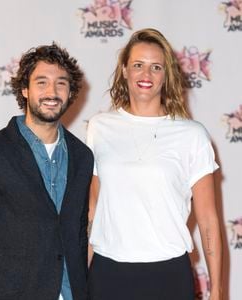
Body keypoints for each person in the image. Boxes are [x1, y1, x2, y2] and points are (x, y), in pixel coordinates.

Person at [0, 43, 94, 300]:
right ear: (25, 90)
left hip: (71, 292)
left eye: (61, 83)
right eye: (42, 82)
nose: (52, 91)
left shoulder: (83, 156)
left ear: (70, 91)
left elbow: (78, 229)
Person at [86, 28, 222, 300]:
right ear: (124, 70)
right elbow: (94, 210)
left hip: (168, 273)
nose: (145, 75)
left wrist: (217, 290)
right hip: (107, 271)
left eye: (155, 67)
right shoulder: (99, 127)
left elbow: (207, 220)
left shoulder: (192, 134)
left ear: (166, 75)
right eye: (138, 65)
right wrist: (82, 274)